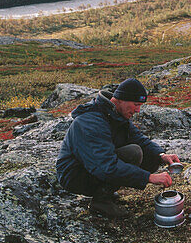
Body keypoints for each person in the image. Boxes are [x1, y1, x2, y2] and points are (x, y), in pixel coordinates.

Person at [56, 77, 180, 218]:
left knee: (148, 154)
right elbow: (105, 166)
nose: (138, 110)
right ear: (121, 99)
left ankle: (106, 191)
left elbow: (139, 139)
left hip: (93, 167)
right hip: (74, 175)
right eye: (136, 104)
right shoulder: (91, 122)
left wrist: (161, 155)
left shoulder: (114, 114)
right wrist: (149, 177)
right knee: (133, 153)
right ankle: (101, 201)